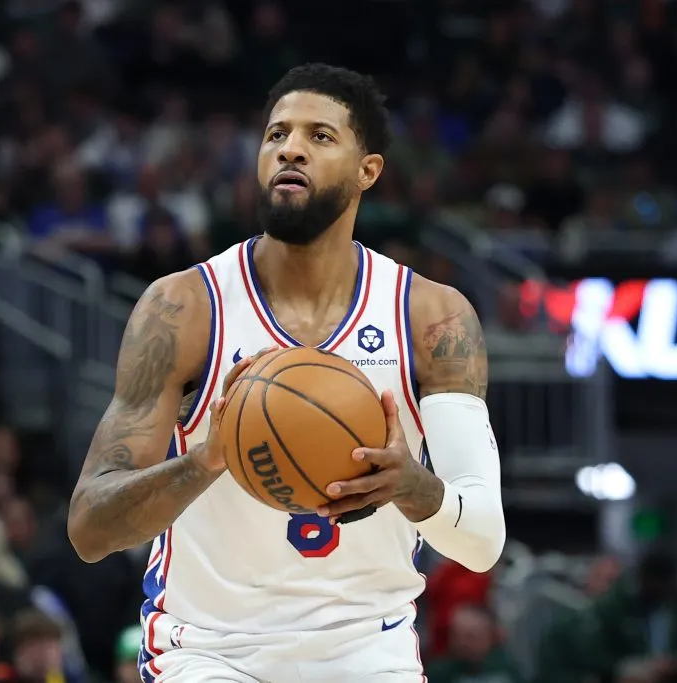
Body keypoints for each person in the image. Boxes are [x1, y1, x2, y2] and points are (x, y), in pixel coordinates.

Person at [67, 64, 506, 682]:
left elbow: (482, 542)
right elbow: (89, 528)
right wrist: (203, 461)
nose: (290, 148)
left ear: (368, 171)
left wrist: (410, 485)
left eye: (320, 136)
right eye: (276, 135)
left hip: (367, 650)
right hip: (211, 652)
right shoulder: (185, 308)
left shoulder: (432, 316)